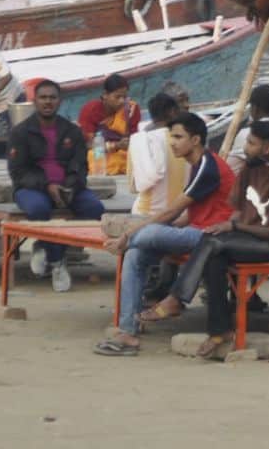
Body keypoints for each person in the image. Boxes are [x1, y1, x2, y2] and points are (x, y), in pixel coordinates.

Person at [144, 120, 269, 359]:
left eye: (252, 143)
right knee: (214, 252)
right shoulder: (248, 170)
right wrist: (228, 226)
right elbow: (235, 210)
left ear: (267, 149)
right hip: (242, 239)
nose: (246, 148)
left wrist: (233, 226)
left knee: (213, 243)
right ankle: (219, 331)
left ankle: (177, 298)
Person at [95, 113, 235, 356]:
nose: (172, 142)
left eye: (178, 137)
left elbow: (172, 210)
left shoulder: (207, 166)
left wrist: (127, 236)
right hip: (194, 231)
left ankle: (127, 241)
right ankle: (127, 331)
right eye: (171, 136)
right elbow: (187, 215)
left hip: (210, 239)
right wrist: (147, 233)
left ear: (195, 139)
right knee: (135, 255)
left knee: (146, 235)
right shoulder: (196, 164)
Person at [7, 78, 105, 292]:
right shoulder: (21, 132)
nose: (48, 102)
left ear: (60, 101)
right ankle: (58, 261)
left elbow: (80, 166)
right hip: (32, 188)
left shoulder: (72, 131)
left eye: (52, 98)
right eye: (43, 97)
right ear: (35, 101)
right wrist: (48, 186)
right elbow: (18, 172)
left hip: (68, 187)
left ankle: (44, 244)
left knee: (95, 208)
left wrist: (70, 186)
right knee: (39, 208)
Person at [126, 91, 188, 216]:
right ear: (172, 112)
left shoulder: (139, 141)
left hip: (145, 215)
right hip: (181, 214)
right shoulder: (188, 140)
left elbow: (133, 187)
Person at [77, 73, 141, 176]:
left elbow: (135, 138)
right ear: (105, 95)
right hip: (100, 154)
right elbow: (88, 145)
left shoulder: (131, 109)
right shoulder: (91, 110)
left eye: (124, 97)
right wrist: (115, 146)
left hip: (124, 155)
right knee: (92, 155)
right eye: (117, 97)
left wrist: (128, 143)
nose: (121, 101)